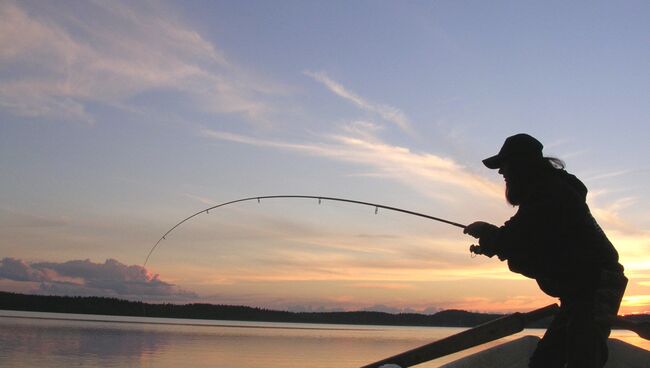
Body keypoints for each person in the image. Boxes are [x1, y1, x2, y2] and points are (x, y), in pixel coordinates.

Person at [463, 133, 627, 368]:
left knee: (581, 357)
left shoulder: (549, 194)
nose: (501, 173)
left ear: (521, 165)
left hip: (595, 288)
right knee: (547, 360)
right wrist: (492, 237)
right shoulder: (546, 192)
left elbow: (514, 238)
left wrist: (487, 232)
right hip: (580, 291)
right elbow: (519, 235)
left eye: (504, 165)